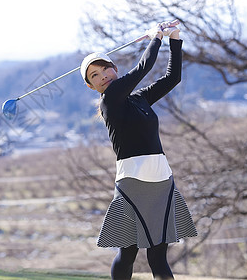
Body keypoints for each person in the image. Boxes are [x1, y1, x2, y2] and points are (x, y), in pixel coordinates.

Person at [80, 22, 198, 280]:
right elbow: (142, 69)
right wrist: (156, 38)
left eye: (105, 69)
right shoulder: (108, 101)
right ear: (92, 86)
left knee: (158, 256)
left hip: (160, 180)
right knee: (129, 252)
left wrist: (174, 39)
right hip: (132, 182)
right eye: (95, 76)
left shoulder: (139, 99)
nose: (103, 76)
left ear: (114, 69)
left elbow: (172, 78)